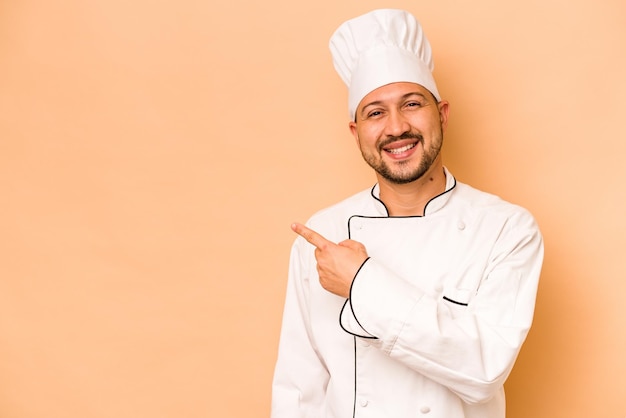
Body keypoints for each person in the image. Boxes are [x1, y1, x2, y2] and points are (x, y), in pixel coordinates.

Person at [271, 8, 543, 418]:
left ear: (442, 115)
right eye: (375, 112)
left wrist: (361, 282)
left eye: (412, 104)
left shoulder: (506, 229)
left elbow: (484, 368)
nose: (396, 127)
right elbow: (299, 389)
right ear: (356, 132)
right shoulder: (322, 235)